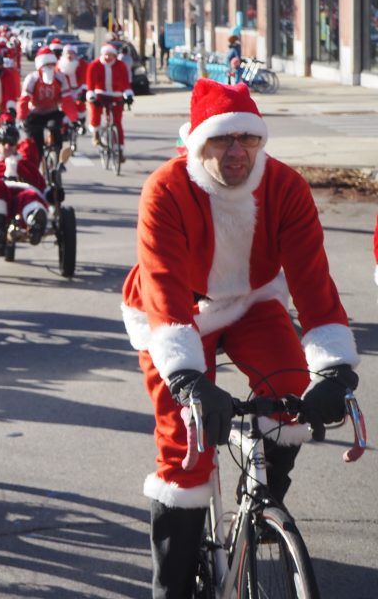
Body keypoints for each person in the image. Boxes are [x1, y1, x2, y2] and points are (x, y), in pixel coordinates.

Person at [120, 79, 361, 599]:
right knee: (184, 450)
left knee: (293, 390)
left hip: (250, 300)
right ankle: (173, 587)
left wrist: (335, 368)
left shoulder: (285, 188)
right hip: (175, 317)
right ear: (197, 143)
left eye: (247, 139)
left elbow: (313, 283)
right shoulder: (166, 189)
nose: (236, 153)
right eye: (221, 141)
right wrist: (186, 379)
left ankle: (259, 503)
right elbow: (162, 291)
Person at [0, 122, 48, 256]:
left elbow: (40, 185)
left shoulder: (25, 164)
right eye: (4, 142)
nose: (7, 146)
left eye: (11, 143)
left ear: (16, 145)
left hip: (22, 190)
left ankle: (34, 222)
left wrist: (51, 193)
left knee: (30, 195)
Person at [86, 43, 133, 161]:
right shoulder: (95, 65)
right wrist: (91, 95)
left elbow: (125, 82)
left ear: (115, 56)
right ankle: (96, 133)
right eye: (106, 55)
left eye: (110, 55)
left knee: (117, 122)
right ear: (103, 55)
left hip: (116, 95)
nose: (108, 58)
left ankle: (120, 150)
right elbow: (90, 83)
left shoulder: (121, 65)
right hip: (100, 94)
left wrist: (128, 95)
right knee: (95, 112)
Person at [20, 47, 66, 164]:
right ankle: (36, 167)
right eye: (46, 64)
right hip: (35, 114)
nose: (49, 67)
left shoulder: (60, 77)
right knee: (36, 146)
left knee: (57, 132)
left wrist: (72, 117)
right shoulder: (32, 78)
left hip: (52, 112)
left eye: (52, 64)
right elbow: (24, 99)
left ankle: (58, 162)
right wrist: (22, 117)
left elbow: (67, 98)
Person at [57, 44, 88, 133]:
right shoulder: (59, 66)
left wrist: (84, 90)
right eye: (67, 53)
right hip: (65, 91)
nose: (69, 56)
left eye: (71, 53)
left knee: (80, 105)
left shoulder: (81, 64)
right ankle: (64, 129)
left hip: (78, 89)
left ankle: (81, 123)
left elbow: (85, 78)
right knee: (63, 109)